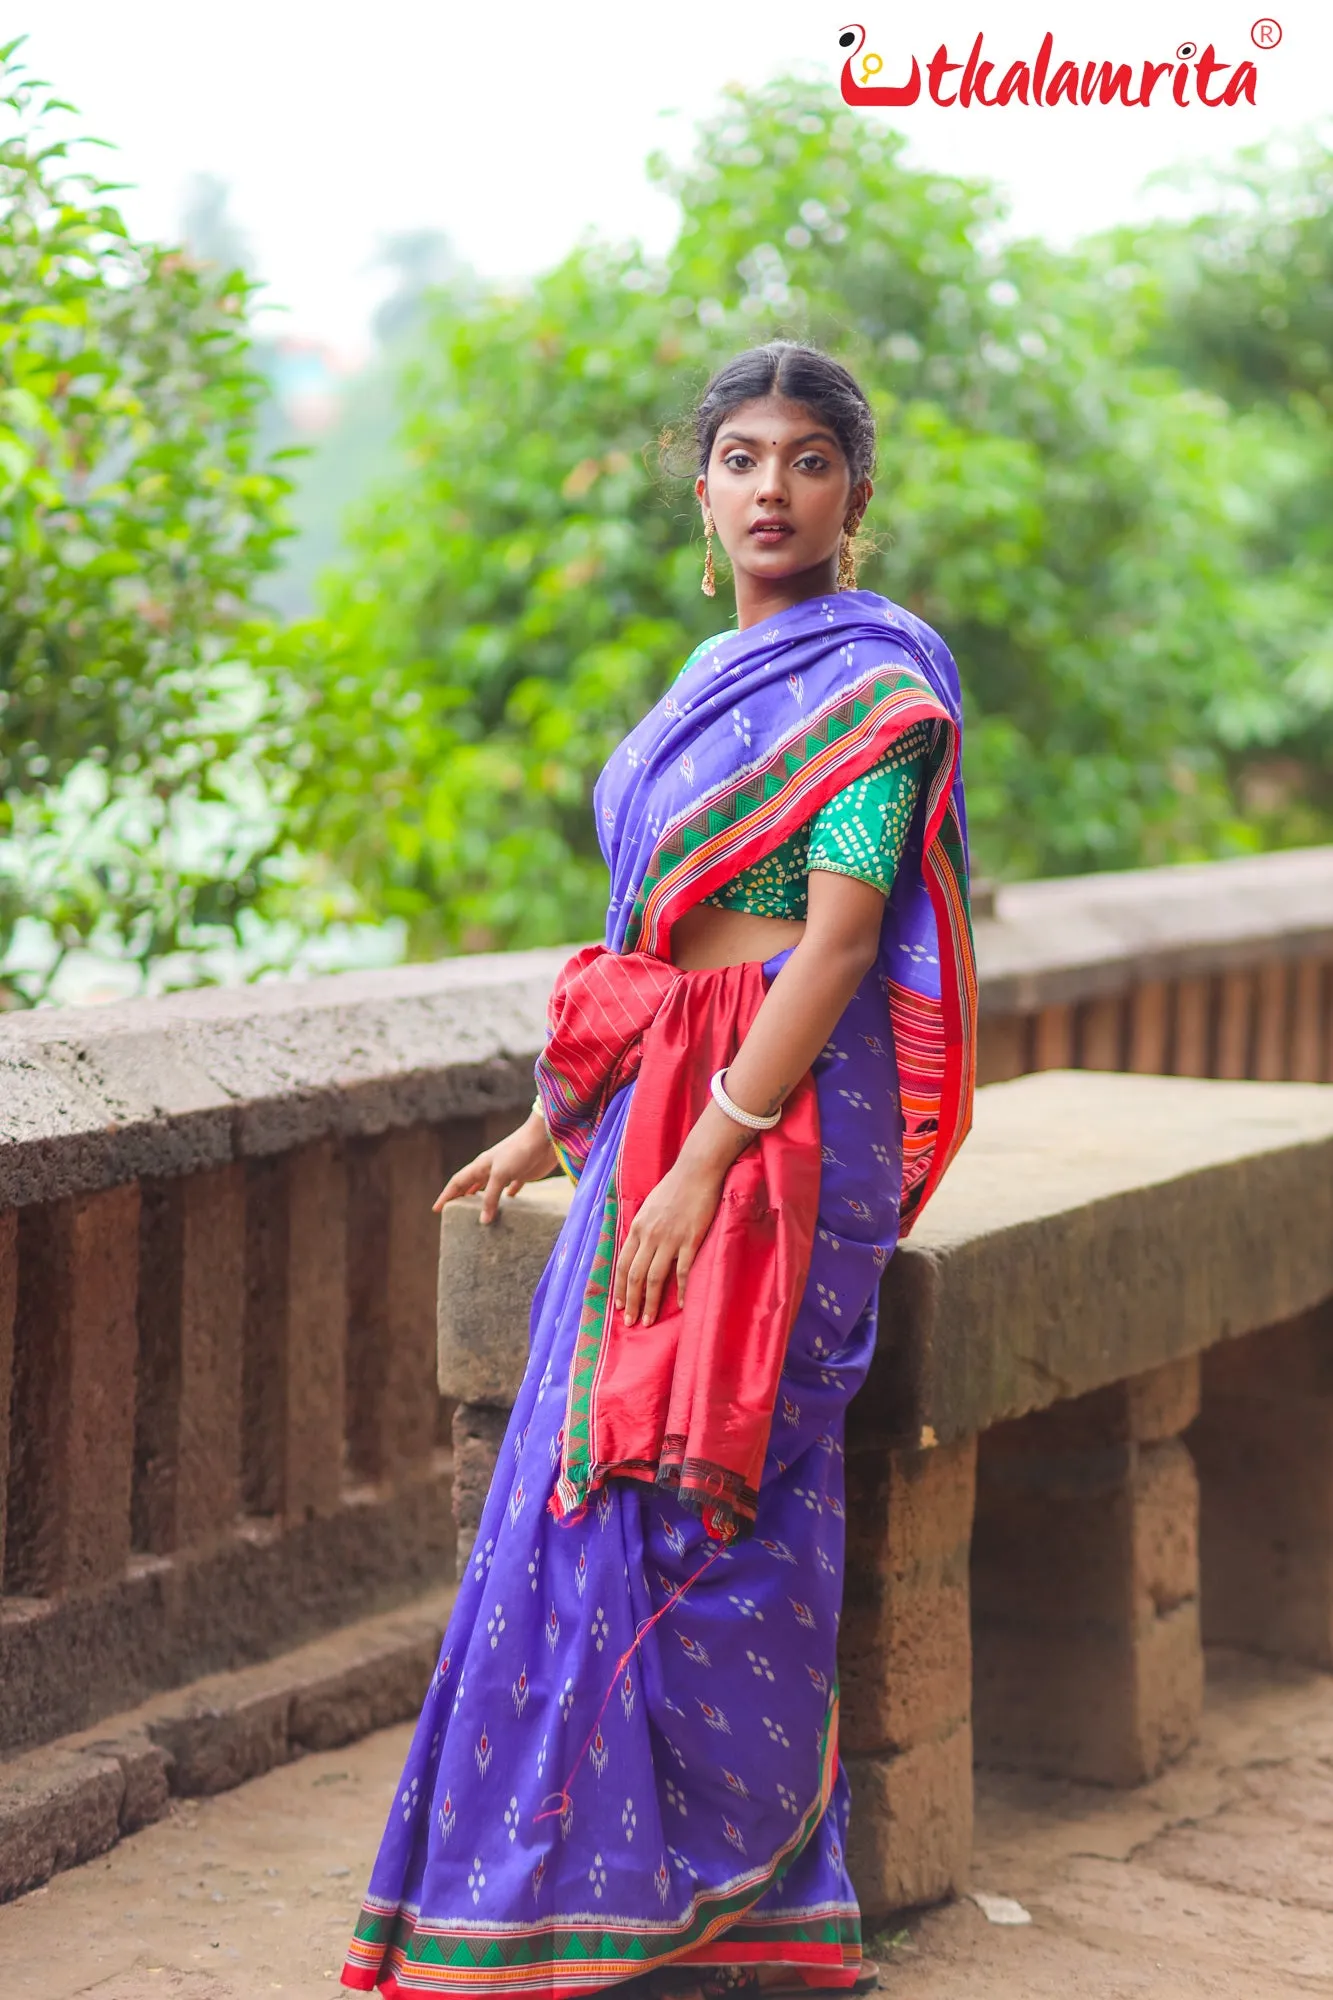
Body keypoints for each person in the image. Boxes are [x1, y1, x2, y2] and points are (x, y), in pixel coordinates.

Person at [341, 341, 976, 2000]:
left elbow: (834, 949)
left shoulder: (879, 687)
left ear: (857, 492)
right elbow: (650, 945)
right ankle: (561, 1903)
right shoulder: (702, 683)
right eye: (744, 459)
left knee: (709, 1503)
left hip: (777, 1132)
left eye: (811, 460)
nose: (775, 489)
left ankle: (716, 1907)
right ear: (701, 492)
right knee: (576, 1499)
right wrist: (560, 1121)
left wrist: (705, 1162)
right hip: (658, 1125)